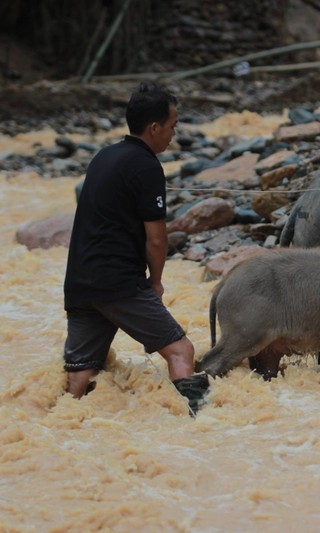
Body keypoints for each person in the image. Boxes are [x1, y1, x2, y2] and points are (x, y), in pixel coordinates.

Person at [63, 82, 208, 415]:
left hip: (80, 281)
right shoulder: (146, 167)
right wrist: (155, 282)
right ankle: (198, 428)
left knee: (81, 370)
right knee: (181, 351)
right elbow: (157, 239)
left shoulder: (104, 156)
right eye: (172, 126)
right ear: (154, 128)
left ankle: (65, 429)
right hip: (118, 282)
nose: (174, 133)